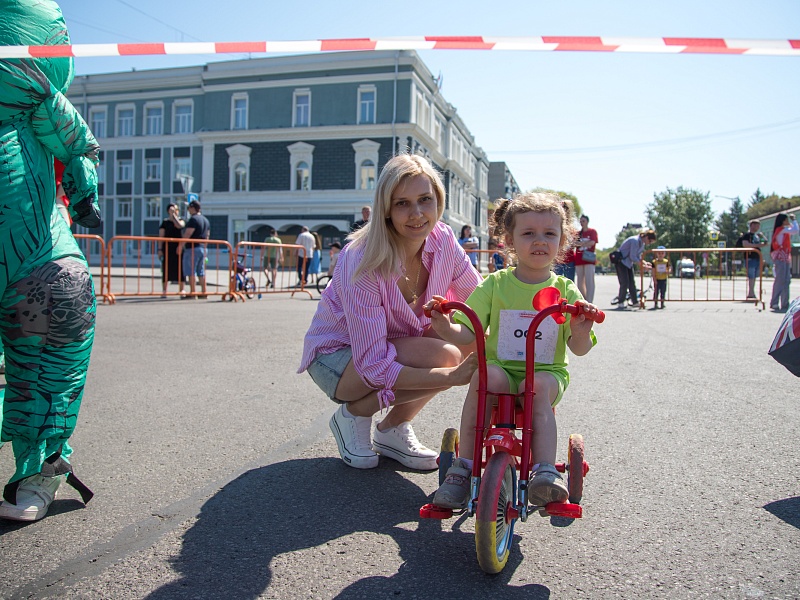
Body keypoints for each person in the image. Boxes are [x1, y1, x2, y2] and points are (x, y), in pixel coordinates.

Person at [298, 154, 483, 471]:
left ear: (438, 200)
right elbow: (372, 365)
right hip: (339, 358)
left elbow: (481, 302)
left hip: (393, 345)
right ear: (385, 209)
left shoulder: (444, 240)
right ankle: (354, 414)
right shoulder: (362, 258)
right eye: (402, 204)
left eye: (425, 199)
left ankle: (392, 429)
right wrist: (451, 377)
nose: (417, 214)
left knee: (475, 340)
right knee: (449, 358)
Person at [426, 192, 599, 509]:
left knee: (537, 386)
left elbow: (580, 348)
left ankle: (544, 471)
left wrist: (579, 330)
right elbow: (468, 331)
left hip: (546, 373)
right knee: (484, 376)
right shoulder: (495, 284)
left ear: (562, 241)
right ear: (509, 240)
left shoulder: (565, 290)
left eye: (549, 233)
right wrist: (445, 327)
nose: (540, 241)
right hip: (502, 370)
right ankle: (463, 468)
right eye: (528, 233)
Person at [0, 0, 99, 521]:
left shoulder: (39, 99)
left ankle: (41, 466)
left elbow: (75, 145)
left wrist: (85, 193)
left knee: (64, 301)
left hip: (37, 251)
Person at [614, 229, 657, 309]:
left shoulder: (641, 244)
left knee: (632, 283)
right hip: (622, 262)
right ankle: (621, 301)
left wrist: (645, 263)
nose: (649, 243)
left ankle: (635, 302)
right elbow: (633, 256)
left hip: (628, 263)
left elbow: (638, 256)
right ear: (646, 237)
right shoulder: (635, 241)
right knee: (625, 282)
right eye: (650, 241)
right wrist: (642, 265)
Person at [178, 200, 211, 299]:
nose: (188, 210)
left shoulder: (193, 219)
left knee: (191, 270)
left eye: (189, 208)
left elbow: (188, 233)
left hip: (192, 248)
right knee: (201, 271)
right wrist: (205, 247)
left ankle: (193, 292)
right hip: (203, 248)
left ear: (193, 208)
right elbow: (207, 235)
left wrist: (180, 245)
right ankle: (204, 291)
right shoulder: (205, 220)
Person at [769, 213, 799, 312]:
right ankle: (774, 302)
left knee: (786, 280)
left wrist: (791, 223)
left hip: (785, 257)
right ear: (782, 221)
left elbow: (794, 230)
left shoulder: (784, 230)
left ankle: (785, 303)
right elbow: (795, 230)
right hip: (780, 258)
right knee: (780, 280)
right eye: (786, 220)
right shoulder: (781, 230)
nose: (788, 222)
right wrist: (794, 220)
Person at [158, 203, 185, 297]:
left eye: (175, 210)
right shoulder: (165, 222)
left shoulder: (181, 220)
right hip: (167, 248)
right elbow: (161, 236)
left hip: (178, 248)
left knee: (180, 269)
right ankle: (164, 291)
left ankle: (182, 290)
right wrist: (160, 249)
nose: (174, 211)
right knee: (166, 269)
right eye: (171, 210)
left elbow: (179, 226)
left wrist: (174, 216)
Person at [736, 220, 768, 300]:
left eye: (758, 226)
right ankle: (751, 293)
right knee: (751, 275)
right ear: (751, 226)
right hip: (750, 257)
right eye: (756, 225)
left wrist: (762, 237)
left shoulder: (757, 236)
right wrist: (757, 245)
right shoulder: (747, 235)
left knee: (755, 275)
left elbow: (765, 243)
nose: (757, 227)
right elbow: (746, 244)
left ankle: (752, 292)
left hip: (757, 257)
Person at [574, 214, 598, 303]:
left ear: (587, 222)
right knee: (580, 281)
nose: (582, 223)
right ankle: (583, 301)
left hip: (589, 259)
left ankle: (590, 301)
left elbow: (592, 242)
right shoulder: (578, 233)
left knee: (589, 281)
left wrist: (582, 244)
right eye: (580, 221)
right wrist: (583, 244)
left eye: (583, 221)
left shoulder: (592, 231)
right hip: (579, 259)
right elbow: (575, 243)